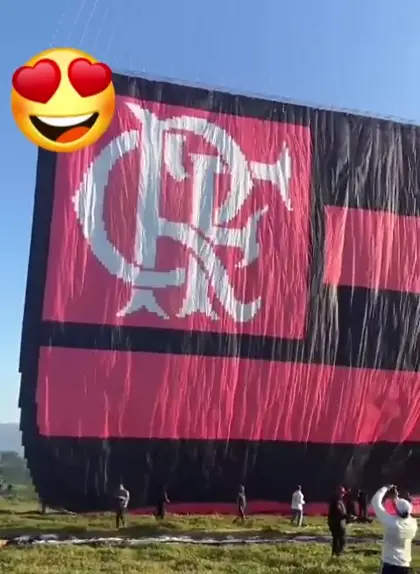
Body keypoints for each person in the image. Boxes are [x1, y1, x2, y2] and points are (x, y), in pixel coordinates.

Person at [371, 484, 417, 574]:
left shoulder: (391, 522)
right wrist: (395, 498)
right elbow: (403, 508)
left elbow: (375, 502)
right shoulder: (413, 524)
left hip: (390, 564)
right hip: (405, 564)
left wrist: (385, 488)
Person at [327, 486, 348, 557]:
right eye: (342, 492)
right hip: (337, 523)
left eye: (343, 493)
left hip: (336, 522)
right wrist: (346, 516)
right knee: (341, 539)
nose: (343, 494)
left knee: (336, 539)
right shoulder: (337, 500)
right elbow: (338, 511)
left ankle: (335, 554)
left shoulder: (337, 500)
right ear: (338, 492)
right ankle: (338, 553)